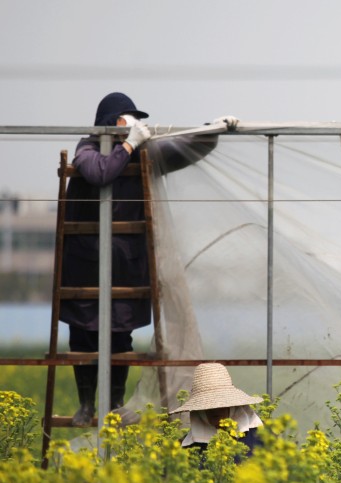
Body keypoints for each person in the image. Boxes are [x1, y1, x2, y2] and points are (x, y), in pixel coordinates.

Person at [62, 92, 239, 426]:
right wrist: (127, 145)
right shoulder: (87, 149)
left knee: (120, 333)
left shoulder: (143, 152)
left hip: (126, 267)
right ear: (111, 122)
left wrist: (211, 131)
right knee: (82, 334)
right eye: (126, 118)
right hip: (84, 265)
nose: (133, 124)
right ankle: (87, 404)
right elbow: (100, 173)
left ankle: (113, 402)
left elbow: (183, 150)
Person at [170, 362, 263, 460]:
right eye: (206, 405)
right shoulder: (187, 450)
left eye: (221, 404)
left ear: (232, 405)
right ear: (199, 411)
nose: (214, 410)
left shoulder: (260, 436)